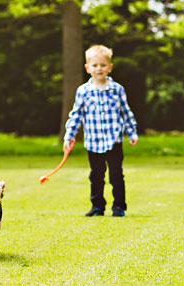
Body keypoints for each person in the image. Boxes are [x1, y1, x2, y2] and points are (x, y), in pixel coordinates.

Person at [63, 44, 138, 217]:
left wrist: (132, 132)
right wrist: (69, 136)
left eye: (103, 65)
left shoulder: (117, 90)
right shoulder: (83, 91)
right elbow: (76, 115)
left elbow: (126, 112)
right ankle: (97, 207)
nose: (99, 69)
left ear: (109, 67)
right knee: (96, 176)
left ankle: (119, 207)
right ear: (87, 68)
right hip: (93, 142)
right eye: (95, 65)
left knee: (116, 176)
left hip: (114, 141)